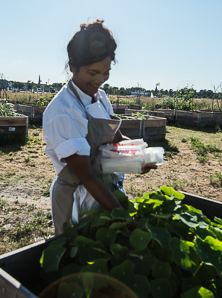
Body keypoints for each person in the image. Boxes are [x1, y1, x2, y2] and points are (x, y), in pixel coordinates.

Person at [43, 19, 152, 235]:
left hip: (105, 190)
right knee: (79, 251)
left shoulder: (99, 97)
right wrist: (126, 220)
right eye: (93, 72)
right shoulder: (64, 111)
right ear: (73, 66)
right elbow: (87, 176)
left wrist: (140, 157)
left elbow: (116, 139)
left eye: (106, 72)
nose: (100, 80)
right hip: (78, 197)